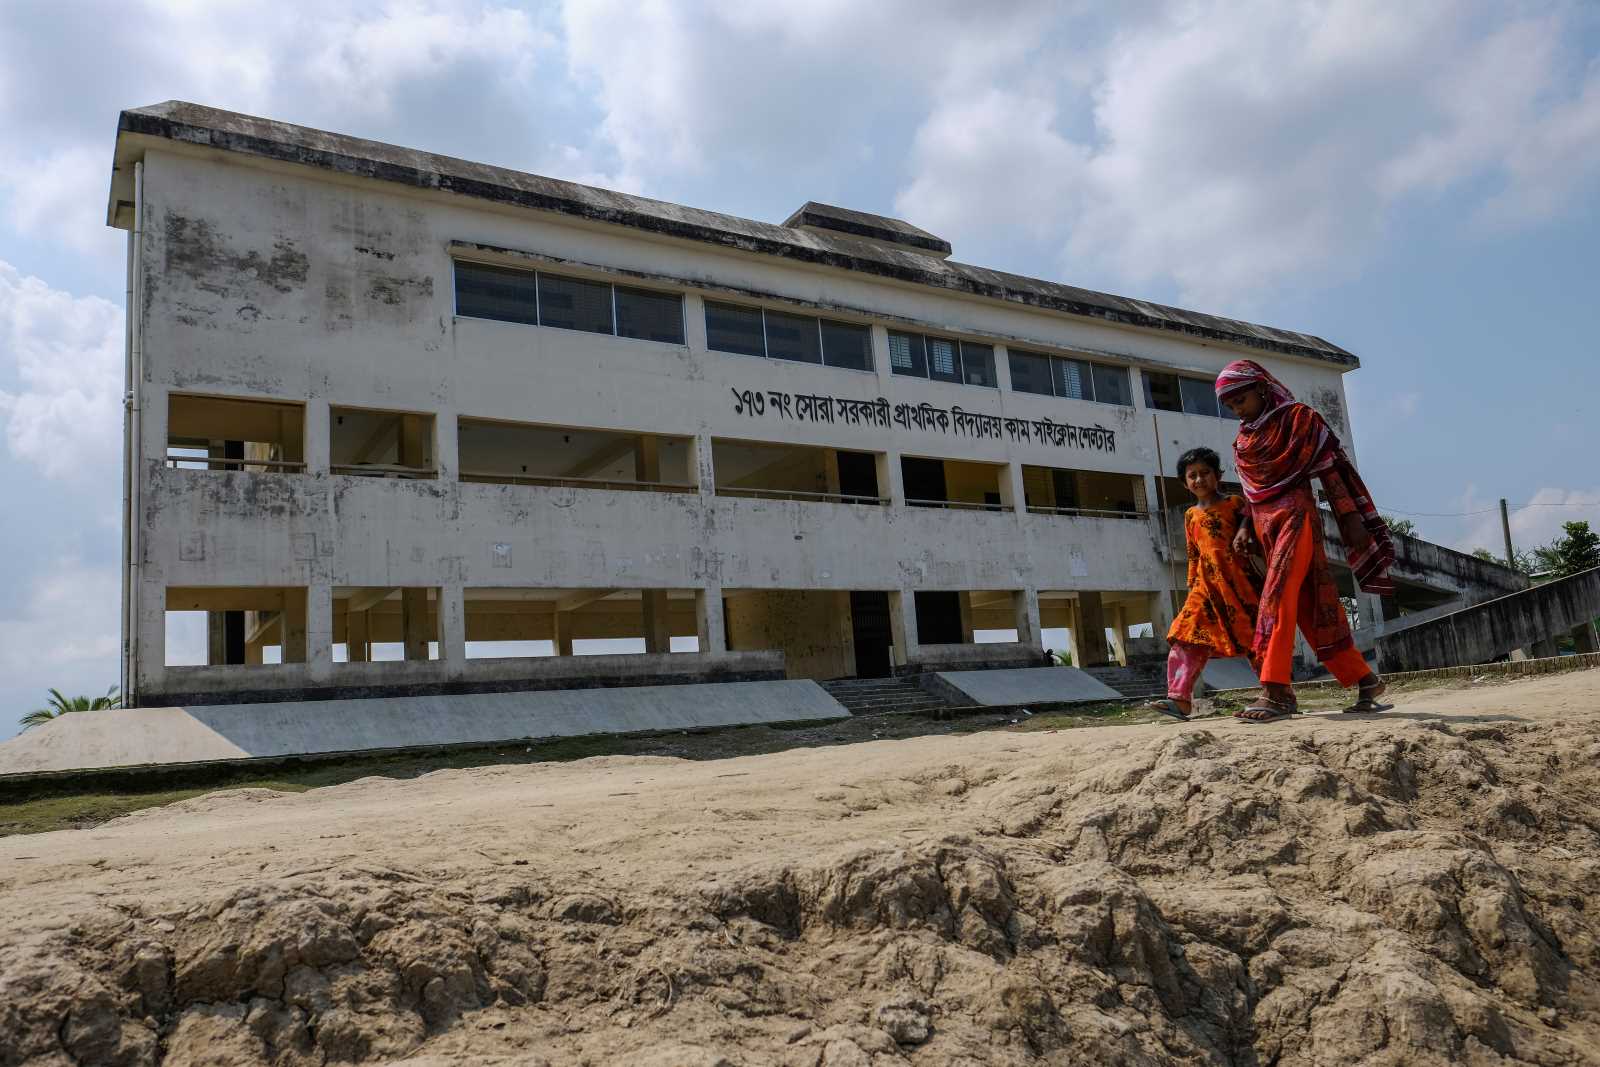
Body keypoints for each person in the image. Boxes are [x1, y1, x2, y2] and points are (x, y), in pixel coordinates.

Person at [1215, 360, 1393, 722]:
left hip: (1296, 517)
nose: (1238, 410)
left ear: (1261, 388)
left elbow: (1331, 471)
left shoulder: (1299, 419)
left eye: (1241, 401)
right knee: (1312, 605)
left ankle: (1276, 691)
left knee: (1277, 598)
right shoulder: (1244, 440)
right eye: (1231, 406)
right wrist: (1245, 528)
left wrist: (1351, 518)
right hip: (1265, 526)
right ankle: (1366, 680)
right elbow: (1251, 494)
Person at [1147, 447, 1262, 721]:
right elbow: (1193, 553)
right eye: (1192, 475)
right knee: (1186, 635)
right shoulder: (1190, 515)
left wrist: (1245, 530)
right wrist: (1192, 586)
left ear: (1218, 475)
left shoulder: (1234, 504)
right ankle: (1179, 699)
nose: (1199, 479)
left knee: (1256, 640)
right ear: (1184, 482)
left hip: (1239, 584)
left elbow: (1251, 527)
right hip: (1204, 587)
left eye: (1205, 473)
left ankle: (1278, 692)